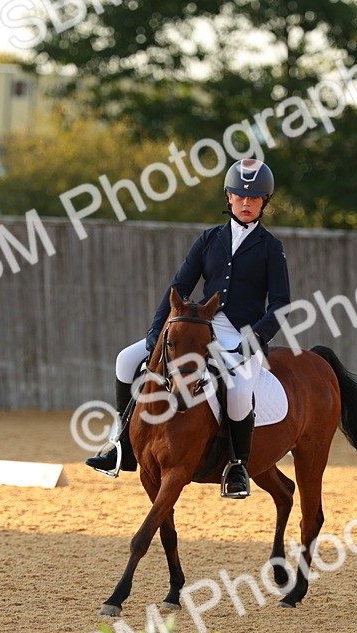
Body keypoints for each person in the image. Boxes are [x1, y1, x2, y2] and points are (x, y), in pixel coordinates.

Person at [86, 158, 291, 499]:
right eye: (239, 195)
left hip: (242, 334)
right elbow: (178, 287)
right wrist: (157, 331)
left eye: (253, 198)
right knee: (126, 359)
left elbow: (281, 303)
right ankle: (123, 444)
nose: (245, 202)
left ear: (264, 202)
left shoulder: (270, 247)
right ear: (228, 197)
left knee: (239, 391)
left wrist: (255, 338)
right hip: (199, 327)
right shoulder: (209, 239)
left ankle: (238, 466)